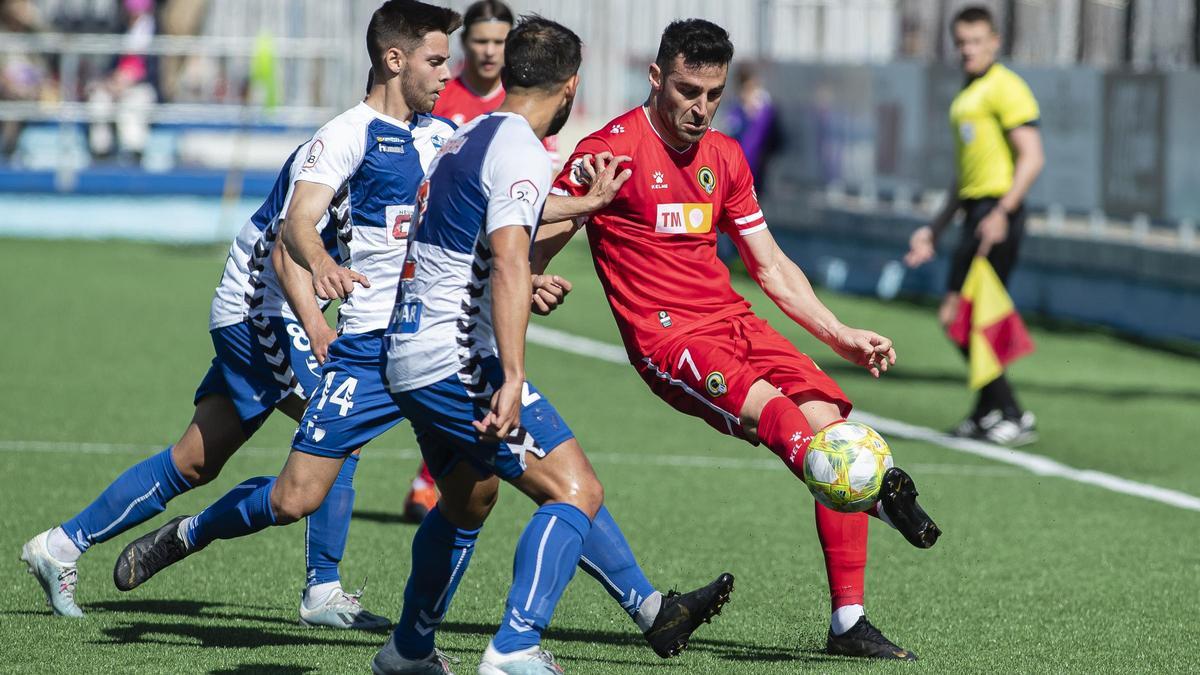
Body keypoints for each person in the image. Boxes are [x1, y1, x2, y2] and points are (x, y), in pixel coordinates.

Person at [111, 4, 731, 667]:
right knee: (309, 495)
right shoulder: (355, 134)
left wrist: (577, 208)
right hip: (412, 352)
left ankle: (426, 644)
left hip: (411, 345)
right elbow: (311, 225)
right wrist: (328, 271)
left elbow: (494, 216)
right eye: (441, 59)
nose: (451, 69)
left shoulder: (457, 136)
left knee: (476, 494)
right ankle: (513, 647)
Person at [539, 19, 941, 660]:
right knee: (785, 422)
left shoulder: (724, 156)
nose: (700, 108)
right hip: (669, 340)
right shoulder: (606, 151)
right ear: (656, 77)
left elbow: (771, 266)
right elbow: (532, 242)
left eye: (713, 94)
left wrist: (838, 334)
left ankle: (848, 621)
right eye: (687, 90)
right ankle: (882, 498)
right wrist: (532, 277)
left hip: (733, 322)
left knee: (830, 423)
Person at [20, 74, 393, 627]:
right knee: (342, 430)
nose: (443, 75)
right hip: (261, 310)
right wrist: (315, 324)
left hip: (267, 312)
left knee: (193, 461)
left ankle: (59, 547)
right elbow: (286, 248)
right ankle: (322, 589)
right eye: (435, 61)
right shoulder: (344, 143)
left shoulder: (408, 143)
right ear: (394, 62)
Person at [399, 0, 523, 524]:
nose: (490, 52)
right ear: (465, 44)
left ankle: (442, 479)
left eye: (499, 42)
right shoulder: (440, 93)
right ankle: (434, 477)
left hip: (491, 257)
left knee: (481, 357)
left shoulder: (521, 103)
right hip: (432, 255)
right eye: (481, 42)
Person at [903, 5, 1044, 446]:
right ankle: (987, 410)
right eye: (961, 42)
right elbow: (964, 178)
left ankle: (1013, 412)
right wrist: (935, 228)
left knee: (968, 316)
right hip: (976, 212)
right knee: (959, 318)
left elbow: (1032, 156)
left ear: (994, 41)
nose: (967, 50)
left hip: (996, 215)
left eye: (976, 41)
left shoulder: (1006, 88)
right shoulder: (968, 92)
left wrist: (1003, 211)